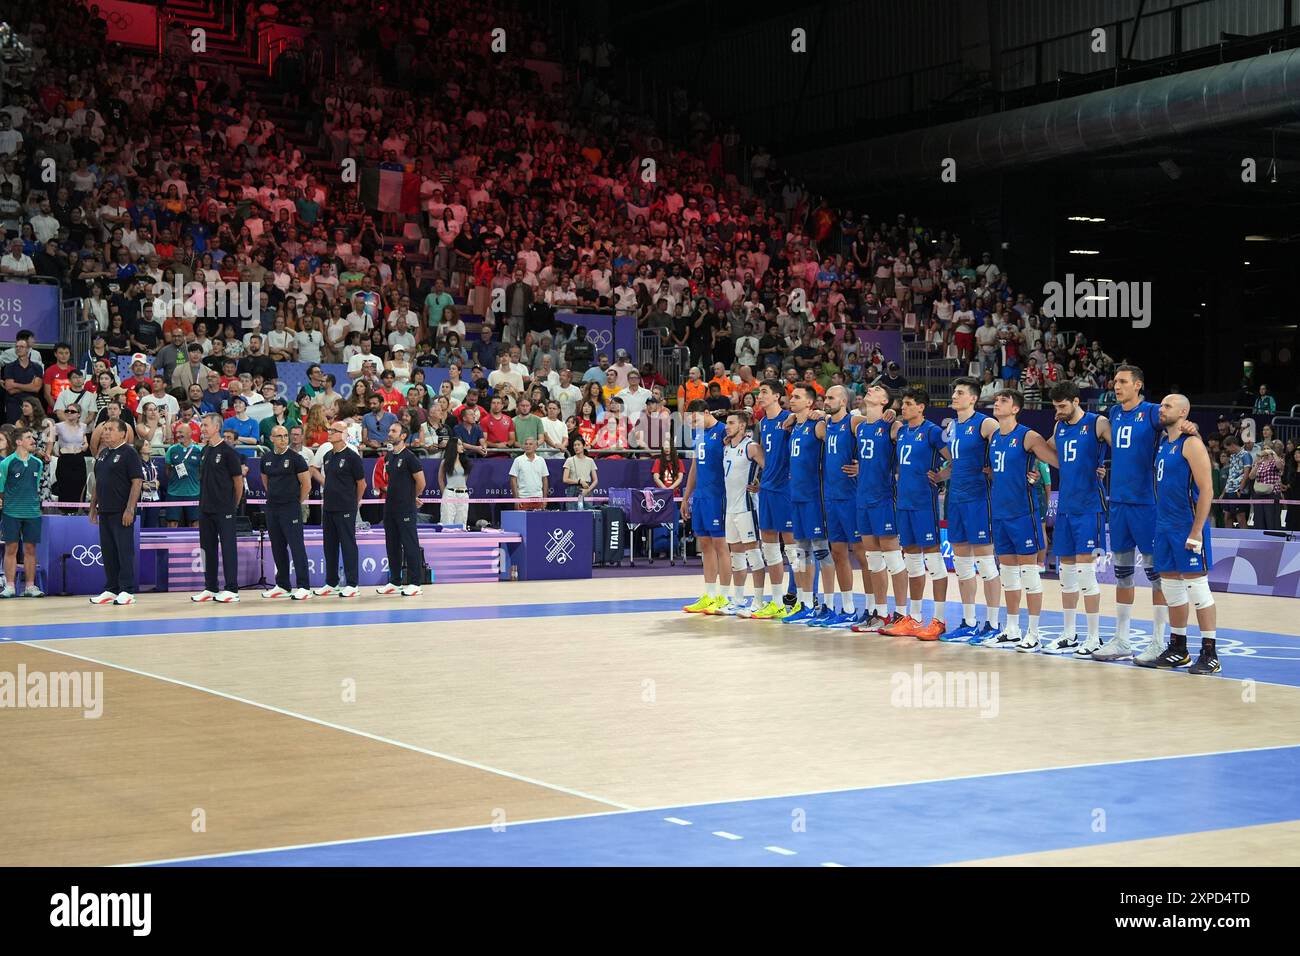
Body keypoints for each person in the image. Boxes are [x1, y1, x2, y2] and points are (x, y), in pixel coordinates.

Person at [1093, 365, 1183, 663]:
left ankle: (1159, 641)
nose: (1116, 385)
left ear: (1138, 385)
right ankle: (1122, 639)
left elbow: (1176, 418)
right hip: (1117, 503)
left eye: (1122, 382)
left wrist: (1188, 426)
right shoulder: (1114, 414)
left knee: (1157, 576)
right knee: (1122, 574)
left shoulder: (1153, 411)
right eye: (1115, 381)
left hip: (1146, 504)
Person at [1027, 382, 1109, 653]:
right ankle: (1070, 633)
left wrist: (1106, 468)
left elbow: (1122, 450)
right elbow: (1044, 450)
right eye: (1055, 407)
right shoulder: (1059, 426)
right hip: (1065, 506)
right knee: (1067, 574)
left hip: (1088, 506)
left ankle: (1094, 636)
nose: (1058, 411)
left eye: (1063, 406)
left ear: (1076, 401)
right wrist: (1035, 470)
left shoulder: (1097, 423)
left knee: (1086, 574)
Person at [1140, 394, 1219, 675]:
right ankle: (1178, 647)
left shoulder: (1192, 443)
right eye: (1161, 405)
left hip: (1187, 527)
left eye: (1167, 406)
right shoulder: (1164, 442)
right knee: (1171, 589)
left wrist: (1197, 530)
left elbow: (1207, 490)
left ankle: (1210, 653)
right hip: (1164, 527)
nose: (1161, 410)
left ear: (1184, 411)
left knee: (1198, 589)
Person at [978, 389, 1056, 649]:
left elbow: (1055, 460)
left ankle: (1033, 633)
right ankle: (1012, 629)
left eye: (1003, 401)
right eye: (996, 400)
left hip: (1023, 513)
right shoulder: (993, 437)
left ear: (1015, 409)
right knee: (1008, 576)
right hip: (1000, 513)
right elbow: (999, 472)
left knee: (1030, 574)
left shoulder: (1028, 435)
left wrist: (1095, 470)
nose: (997, 403)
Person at [880, 387, 950, 640]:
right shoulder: (902, 432)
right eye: (903, 403)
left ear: (921, 407)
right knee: (911, 560)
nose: (903, 407)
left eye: (909, 403)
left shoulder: (932, 431)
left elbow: (955, 458)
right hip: (904, 503)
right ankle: (915, 617)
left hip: (924, 503)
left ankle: (939, 619)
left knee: (933, 559)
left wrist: (942, 475)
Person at [935, 377, 1001, 643]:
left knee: (985, 563)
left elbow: (1007, 444)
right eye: (954, 391)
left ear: (973, 398)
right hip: (956, 499)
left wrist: (996, 470)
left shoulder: (985, 423)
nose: (954, 395)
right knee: (962, 566)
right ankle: (969, 621)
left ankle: (994, 624)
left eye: (960, 392)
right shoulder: (952, 427)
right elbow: (955, 462)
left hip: (978, 499)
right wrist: (939, 476)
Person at [849, 385, 910, 634]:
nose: (869, 390)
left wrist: (896, 415)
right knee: (873, 561)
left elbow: (906, 431)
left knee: (894, 559)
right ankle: (880, 613)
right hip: (862, 498)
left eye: (876, 390)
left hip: (884, 498)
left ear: (885, 400)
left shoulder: (891, 426)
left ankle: (903, 614)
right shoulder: (860, 426)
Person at [806, 386, 861, 627]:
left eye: (830, 397)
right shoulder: (825, 424)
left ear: (844, 400)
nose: (825, 401)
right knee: (838, 553)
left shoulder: (855, 422)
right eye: (825, 397)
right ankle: (847, 608)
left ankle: (873, 609)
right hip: (831, 497)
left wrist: (864, 467)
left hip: (852, 497)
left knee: (862, 554)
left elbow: (878, 442)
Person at [744, 380, 796, 619]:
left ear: (777, 396)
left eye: (764, 392)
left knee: (794, 549)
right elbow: (766, 454)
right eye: (758, 392)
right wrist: (762, 475)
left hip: (786, 490)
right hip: (767, 489)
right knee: (770, 548)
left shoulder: (790, 418)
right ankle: (776, 601)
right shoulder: (763, 423)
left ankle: (799, 599)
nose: (759, 395)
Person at [713, 409, 766, 616]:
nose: (727, 426)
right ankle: (738, 599)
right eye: (727, 423)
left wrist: (759, 484)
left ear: (742, 426)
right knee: (736, 556)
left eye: (731, 422)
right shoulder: (727, 447)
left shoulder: (751, 447)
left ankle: (759, 601)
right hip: (731, 508)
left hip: (747, 507)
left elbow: (768, 467)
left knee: (753, 553)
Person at [87, 420, 144, 605]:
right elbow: (97, 482)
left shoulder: (129, 453)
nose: (105, 433)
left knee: (124, 551)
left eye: (110, 429)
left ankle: (127, 590)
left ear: (122, 433)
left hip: (122, 511)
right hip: (104, 510)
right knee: (108, 552)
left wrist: (130, 508)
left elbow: (137, 482)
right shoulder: (103, 454)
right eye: (104, 429)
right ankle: (111, 589)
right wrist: (92, 508)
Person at [681, 401, 730, 613]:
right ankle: (710, 595)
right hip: (700, 496)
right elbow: (694, 466)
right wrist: (686, 496)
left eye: (695, 418)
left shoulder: (723, 431)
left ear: (707, 412)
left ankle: (725, 597)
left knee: (721, 546)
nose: (692, 423)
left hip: (718, 496)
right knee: (705, 546)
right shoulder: (698, 434)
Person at [192, 413, 244, 603]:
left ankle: (231, 589)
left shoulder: (229, 452)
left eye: (205, 425)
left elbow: (238, 482)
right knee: (207, 549)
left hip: (224, 510)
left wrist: (233, 506)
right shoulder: (205, 450)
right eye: (202, 425)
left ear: (216, 427)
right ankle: (210, 587)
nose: (202, 429)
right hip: (205, 509)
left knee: (228, 548)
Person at [311, 421, 366, 597]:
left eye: (334, 430)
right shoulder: (327, 455)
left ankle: (352, 583)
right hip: (328, 507)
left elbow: (361, 484)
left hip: (346, 507)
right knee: (330, 546)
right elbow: (323, 476)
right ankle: (331, 582)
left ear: (344, 434)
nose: (330, 432)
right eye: (329, 429)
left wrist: (354, 502)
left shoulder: (352, 457)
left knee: (348, 544)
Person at [261, 424, 313, 600]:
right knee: (277, 546)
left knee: (296, 546)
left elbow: (307, 485)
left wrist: (295, 502)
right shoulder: (266, 458)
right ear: (272, 439)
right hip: (272, 508)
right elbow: (265, 482)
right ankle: (282, 584)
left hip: (290, 508)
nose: (284, 439)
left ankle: (304, 586)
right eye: (280, 436)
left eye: (285, 436)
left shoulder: (296, 458)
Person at [377, 422, 426, 596]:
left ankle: (415, 583)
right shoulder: (389, 457)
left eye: (393, 431)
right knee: (392, 545)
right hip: (390, 507)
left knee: (410, 544)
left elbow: (421, 482)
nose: (390, 433)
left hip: (406, 508)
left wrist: (412, 498)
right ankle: (395, 582)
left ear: (403, 436)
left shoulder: (410, 457)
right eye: (389, 430)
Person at [0, 428, 45, 597]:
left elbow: (35, 488)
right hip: (11, 512)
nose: (33, 440)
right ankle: (10, 586)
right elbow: (1, 488)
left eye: (33, 437)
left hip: (32, 512)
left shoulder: (38, 463)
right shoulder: (6, 463)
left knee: (30, 549)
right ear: (19, 442)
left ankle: (30, 586)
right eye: (28, 437)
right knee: (11, 548)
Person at [438, 435, 472, 526]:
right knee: (447, 522)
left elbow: (465, 478)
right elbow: (440, 479)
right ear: (453, 446)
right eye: (459, 444)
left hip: (463, 494)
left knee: (462, 523)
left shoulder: (465, 462)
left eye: (462, 444)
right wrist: (444, 494)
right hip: (450, 493)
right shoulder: (445, 462)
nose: (462, 446)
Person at [509, 436, 550, 510]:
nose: (528, 446)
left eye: (530, 444)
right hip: (523, 499)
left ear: (535, 447)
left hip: (538, 499)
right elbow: (513, 479)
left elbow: (545, 479)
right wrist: (516, 499)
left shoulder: (541, 460)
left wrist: (545, 499)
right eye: (526, 444)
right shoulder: (518, 460)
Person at [562, 437, 597, 509]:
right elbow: (565, 479)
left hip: (586, 489)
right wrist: (579, 481)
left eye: (578, 444)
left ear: (583, 446)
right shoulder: (569, 460)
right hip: (572, 490)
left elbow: (595, 480)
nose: (576, 447)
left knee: (587, 514)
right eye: (574, 445)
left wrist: (588, 490)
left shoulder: (590, 461)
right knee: (572, 514)